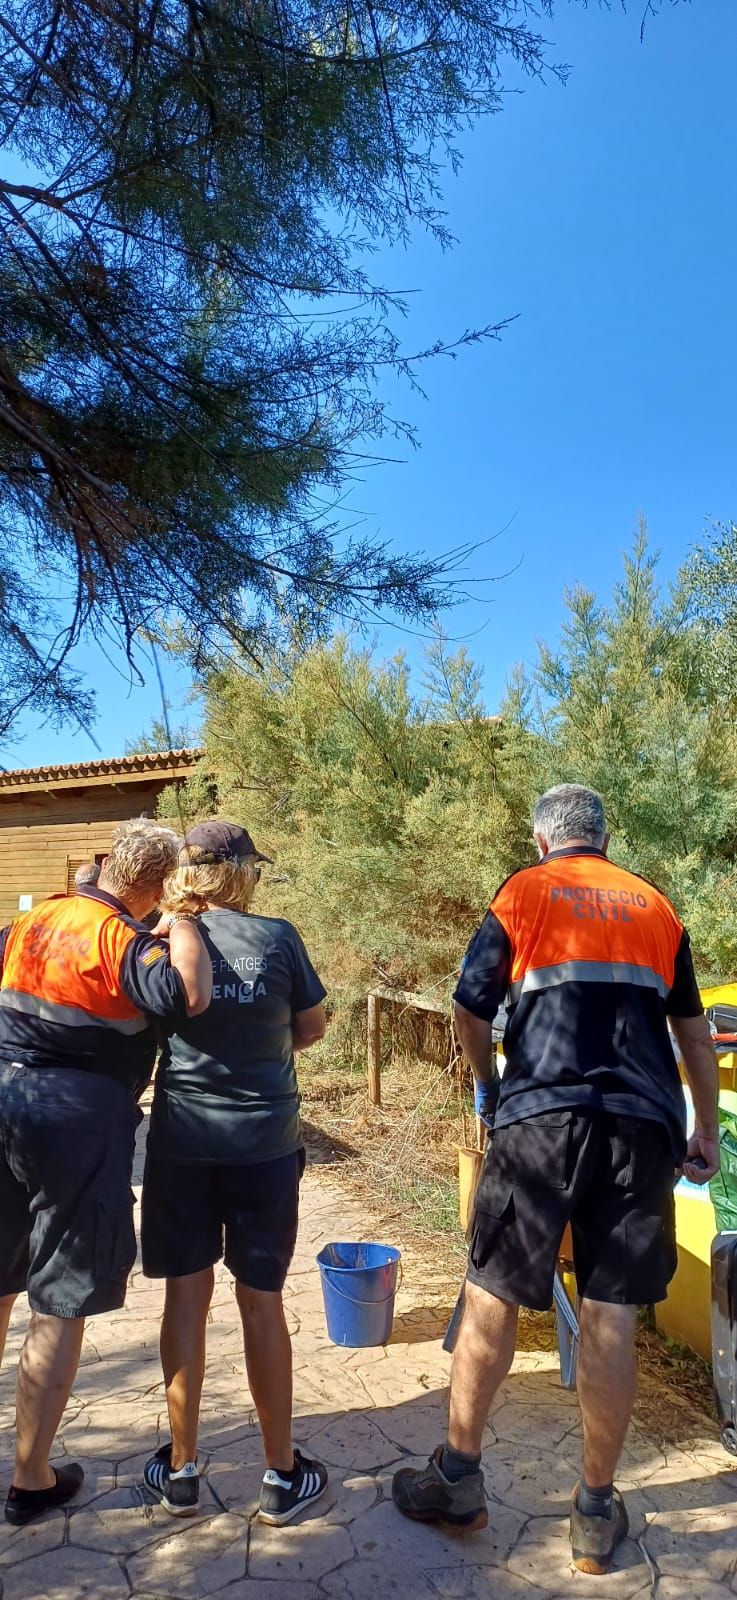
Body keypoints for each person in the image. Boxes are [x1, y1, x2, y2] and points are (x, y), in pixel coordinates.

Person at [392, 783, 719, 1575]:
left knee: (491, 1292)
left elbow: (470, 1010)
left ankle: (459, 1480)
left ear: (542, 841)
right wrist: (703, 1126)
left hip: (539, 1119)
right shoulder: (653, 905)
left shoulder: (523, 892)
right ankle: (595, 1513)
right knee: (611, 1310)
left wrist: (487, 1090)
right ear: (601, 840)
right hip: (640, 1128)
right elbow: (693, 1030)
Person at [0, 820, 212, 1526]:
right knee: (60, 1296)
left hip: (3, 1094)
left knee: (0, 1280)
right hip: (76, 1117)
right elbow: (186, 996)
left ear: (105, 863)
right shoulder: (124, 939)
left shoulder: (35, 920)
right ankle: (31, 1475)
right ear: (154, 886)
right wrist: (181, 926)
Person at [140, 820, 329, 1525]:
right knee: (261, 1301)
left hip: (182, 1145)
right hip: (266, 1146)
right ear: (242, 872)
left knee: (185, 1302)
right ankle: (281, 1475)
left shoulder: (159, 940)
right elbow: (310, 1026)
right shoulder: (278, 938)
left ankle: (182, 1470)